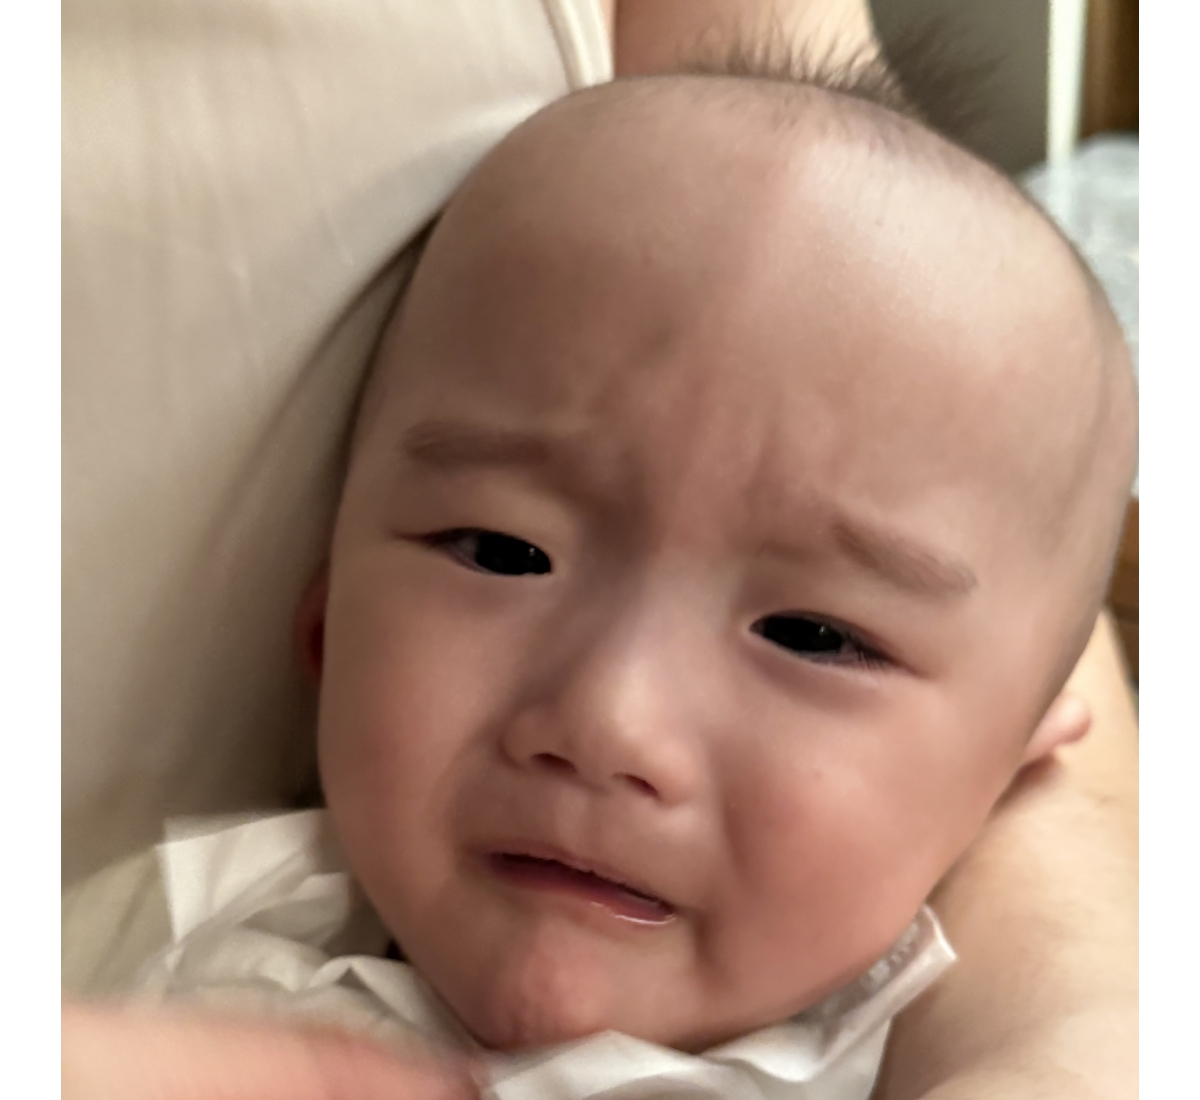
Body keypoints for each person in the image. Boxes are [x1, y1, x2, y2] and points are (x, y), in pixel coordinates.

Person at [63, 44, 1138, 1099]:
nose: (610, 722)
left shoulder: (996, 1055)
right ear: (327, 617)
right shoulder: (160, 937)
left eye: (812, 635)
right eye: (504, 553)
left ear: (1014, 763)